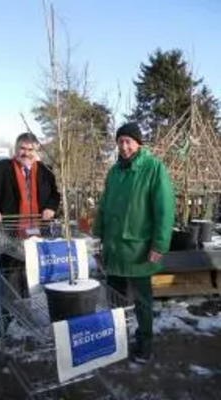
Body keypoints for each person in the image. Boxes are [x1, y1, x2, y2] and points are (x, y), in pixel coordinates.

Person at [93, 122, 174, 363]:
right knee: (114, 297)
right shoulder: (114, 171)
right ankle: (117, 340)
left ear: (139, 143)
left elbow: (164, 209)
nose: (124, 146)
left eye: (129, 141)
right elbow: (104, 205)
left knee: (142, 300)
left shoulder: (153, 168)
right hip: (114, 247)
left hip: (139, 248)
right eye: (120, 141)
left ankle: (144, 342)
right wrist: (99, 237)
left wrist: (159, 245)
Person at [0, 132, 60, 332]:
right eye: (22, 148)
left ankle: (24, 317)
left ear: (36, 151)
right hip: (7, 236)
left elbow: (55, 195)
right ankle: (4, 320)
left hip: (35, 237)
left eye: (31, 149)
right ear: (16, 149)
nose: (26, 153)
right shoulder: (0, 168)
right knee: (7, 279)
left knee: (28, 277)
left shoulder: (46, 172)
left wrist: (51, 207)